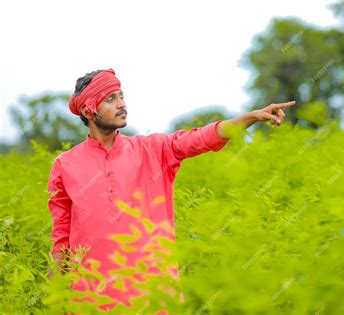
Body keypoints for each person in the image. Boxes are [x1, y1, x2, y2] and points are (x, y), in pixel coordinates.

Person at [47, 68, 296, 312]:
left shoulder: (154, 150)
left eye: (122, 96)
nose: (121, 104)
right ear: (87, 110)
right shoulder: (65, 165)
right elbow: (61, 240)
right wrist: (54, 299)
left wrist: (250, 117)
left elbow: (201, 138)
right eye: (111, 99)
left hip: (153, 299)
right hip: (89, 302)